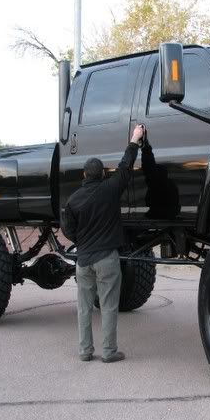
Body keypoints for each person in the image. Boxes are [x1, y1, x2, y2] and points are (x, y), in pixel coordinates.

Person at [62, 124, 144, 363]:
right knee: (108, 306)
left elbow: (67, 228)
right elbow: (126, 166)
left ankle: (85, 351)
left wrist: (81, 241)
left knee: (84, 308)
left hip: (84, 260)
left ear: (84, 176)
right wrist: (135, 140)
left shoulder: (74, 200)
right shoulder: (110, 189)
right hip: (107, 258)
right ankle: (109, 352)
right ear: (102, 174)